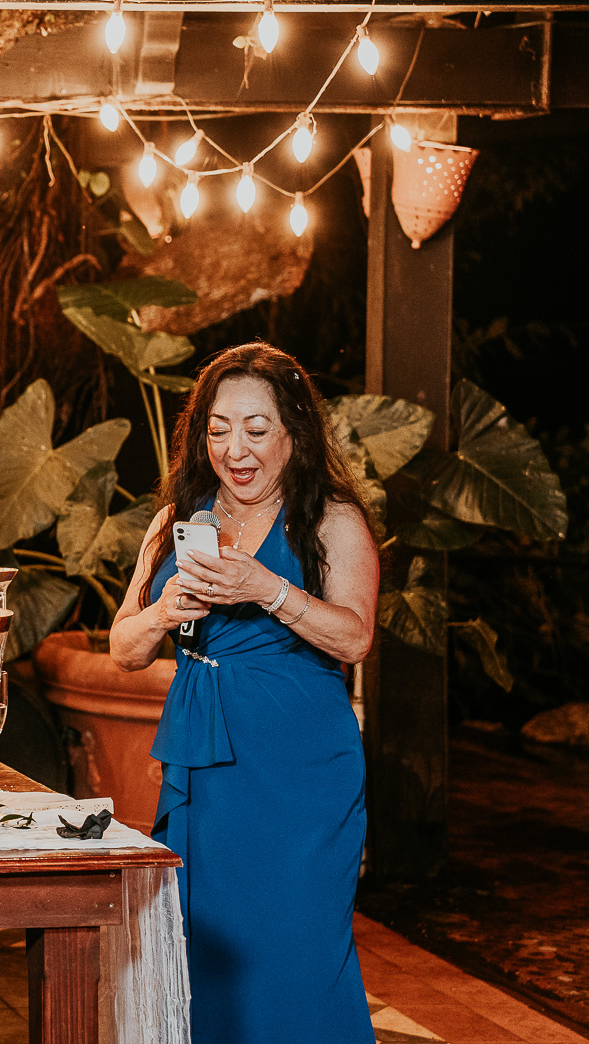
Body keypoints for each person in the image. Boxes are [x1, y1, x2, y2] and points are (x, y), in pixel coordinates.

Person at [108, 342, 379, 1044]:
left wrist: (270, 590)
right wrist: (166, 610)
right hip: (206, 768)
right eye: (220, 429)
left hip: (302, 776)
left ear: (295, 432)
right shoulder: (174, 521)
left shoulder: (330, 519)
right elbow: (122, 648)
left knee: (300, 952)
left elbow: (354, 640)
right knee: (208, 953)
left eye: (257, 430)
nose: (237, 448)